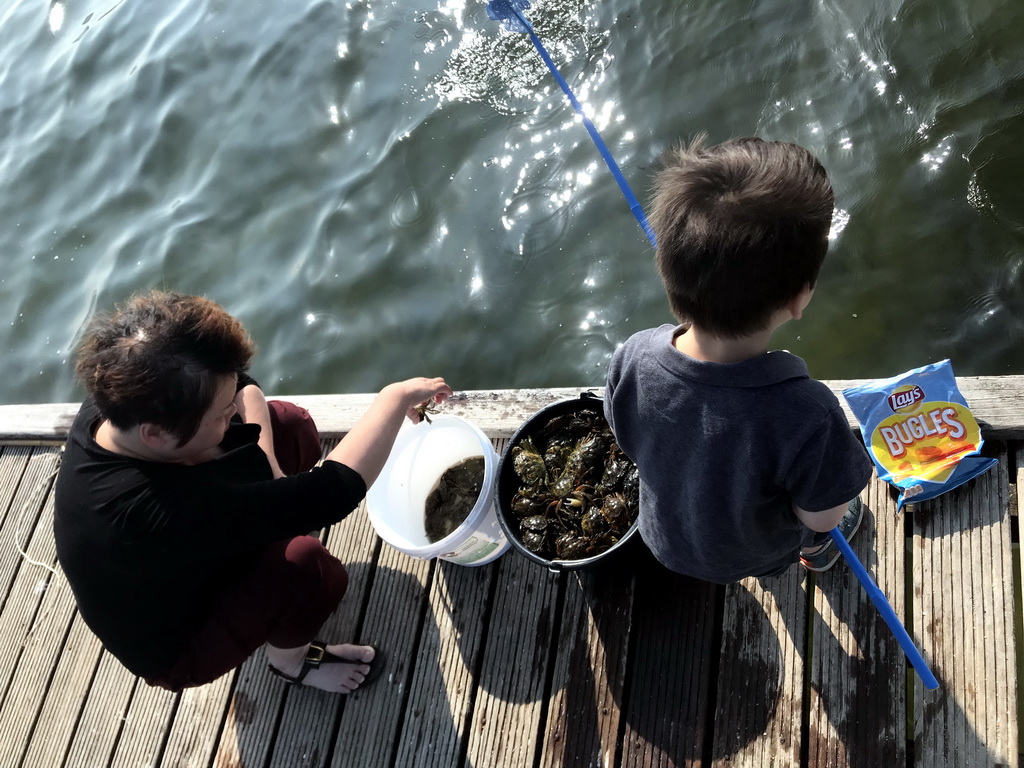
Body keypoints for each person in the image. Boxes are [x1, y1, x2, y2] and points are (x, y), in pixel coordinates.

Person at [54, 291, 452, 693]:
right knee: (306, 566)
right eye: (221, 414)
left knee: (288, 423)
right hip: (180, 643)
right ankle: (291, 663)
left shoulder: (126, 395)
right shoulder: (150, 513)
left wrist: (268, 461)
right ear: (155, 435)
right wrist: (393, 398)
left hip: (185, 552)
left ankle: (268, 560)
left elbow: (243, 386)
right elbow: (330, 494)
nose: (232, 411)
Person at [603, 136, 873, 584]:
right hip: (751, 557)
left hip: (662, 541)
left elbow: (624, 435)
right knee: (819, 530)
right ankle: (815, 556)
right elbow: (822, 516)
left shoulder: (632, 355)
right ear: (798, 299)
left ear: (668, 270)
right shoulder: (808, 412)